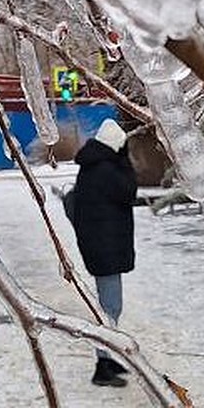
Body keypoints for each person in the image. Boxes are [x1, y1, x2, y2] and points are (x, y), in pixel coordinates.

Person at [65, 116, 137, 388]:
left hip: (101, 246)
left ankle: (107, 356)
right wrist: (124, 161)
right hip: (105, 249)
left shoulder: (94, 166)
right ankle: (102, 365)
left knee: (109, 306)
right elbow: (128, 191)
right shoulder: (107, 168)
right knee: (110, 308)